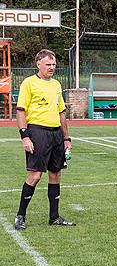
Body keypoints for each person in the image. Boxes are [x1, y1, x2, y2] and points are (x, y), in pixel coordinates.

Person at [14, 49, 76, 230]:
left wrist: (66, 137)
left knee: (56, 174)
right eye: (48, 64)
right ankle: (20, 215)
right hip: (37, 132)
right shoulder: (29, 83)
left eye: (54, 64)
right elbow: (20, 111)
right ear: (38, 64)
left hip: (56, 133)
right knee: (35, 175)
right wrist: (25, 136)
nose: (52, 67)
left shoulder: (56, 85)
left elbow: (61, 112)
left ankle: (54, 217)